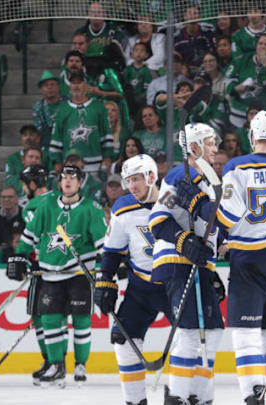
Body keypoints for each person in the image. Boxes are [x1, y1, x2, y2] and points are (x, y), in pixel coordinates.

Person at [178, 111, 266, 404]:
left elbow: (224, 217)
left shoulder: (238, 166)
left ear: (252, 136)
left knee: (246, 332)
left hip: (250, 258)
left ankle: (255, 394)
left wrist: (196, 202)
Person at [9, 165, 107, 387]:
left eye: (73, 178)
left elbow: (103, 243)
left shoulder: (91, 209)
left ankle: (80, 364)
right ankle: (56, 366)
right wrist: (19, 257)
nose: (68, 181)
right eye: (64, 178)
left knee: (81, 320)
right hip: (50, 274)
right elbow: (28, 237)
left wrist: (108, 265)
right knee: (50, 320)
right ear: (60, 182)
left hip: (79, 273)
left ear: (80, 182)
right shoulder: (46, 206)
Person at [149, 122, 225, 404]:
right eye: (209, 142)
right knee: (191, 332)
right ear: (193, 147)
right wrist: (183, 241)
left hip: (200, 264)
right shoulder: (180, 174)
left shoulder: (208, 178)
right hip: (177, 261)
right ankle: (178, 396)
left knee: (214, 331)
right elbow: (157, 221)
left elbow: (214, 224)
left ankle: (198, 396)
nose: (215, 147)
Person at [95, 154, 172, 405]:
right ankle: (135, 401)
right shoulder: (123, 207)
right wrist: (105, 281)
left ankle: (180, 394)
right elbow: (113, 250)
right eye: (128, 181)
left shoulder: (175, 202)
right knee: (122, 339)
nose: (132, 186)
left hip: (175, 284)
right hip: (141, 288)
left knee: (190, 340)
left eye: (137, 179)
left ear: (152, 176)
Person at [49, 72, 113, 175]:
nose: (76, 86)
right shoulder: (62, 109)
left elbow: (107, 134)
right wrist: (56, 161)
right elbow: (57, 137)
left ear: (86, 85)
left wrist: (108, 156)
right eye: (73, 83)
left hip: (95, 165)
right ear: (69, 86)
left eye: (79, 82)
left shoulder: (99, 107)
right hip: (70, 165)